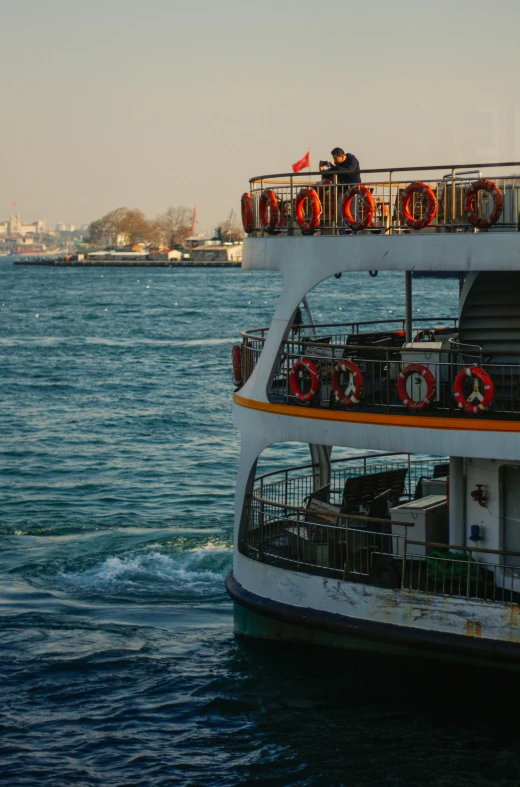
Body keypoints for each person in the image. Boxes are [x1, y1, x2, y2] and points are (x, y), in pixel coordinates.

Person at [319, 148, 361, 231]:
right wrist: (321, 168)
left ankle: (358, 232)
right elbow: (326, 175)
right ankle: (342, 233)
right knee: (339, 214)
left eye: (335, 158)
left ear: (342, 156)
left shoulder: (352, 160)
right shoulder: (337, 165)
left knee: (353, 213)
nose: (334, 160)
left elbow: (349, 171)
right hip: (343, 191)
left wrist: (335, 166)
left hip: (353, 191)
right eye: (333, 158)